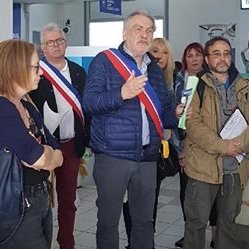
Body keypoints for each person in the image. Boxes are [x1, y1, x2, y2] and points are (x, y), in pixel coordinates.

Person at [83, 10, 186, 249]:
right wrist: (122, 94)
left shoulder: (154, 70)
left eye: (149, 30)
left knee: (144, 221)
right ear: (125, 33)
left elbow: (162, 114)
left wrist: (176, 114)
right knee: (108, 222)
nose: (144, 34)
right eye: (138, 28)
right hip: (112, 156)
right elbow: (89, 103)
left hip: (147, 157)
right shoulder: (105, 61)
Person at [184, 36, 249, 249]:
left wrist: (239, 145)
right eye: (217, 54)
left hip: (234, 169)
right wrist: (224, 147)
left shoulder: (244, 86)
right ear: (207, 58)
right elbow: (191, 124)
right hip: (203, 167)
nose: (222, 58)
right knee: (196, 222)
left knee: (228, 223)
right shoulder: (194, 85)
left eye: (227, 53)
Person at [29, 23, 88, 249]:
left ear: (66, 44)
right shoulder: (36, 72)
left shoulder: (78, 71)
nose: (55, 45)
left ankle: (66, 242)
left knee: (67, 200)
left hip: (71, 144)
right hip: (42, 147)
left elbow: (86, 108)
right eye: (50, 42)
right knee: (40, 200)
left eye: (59, 41)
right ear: (43, 47)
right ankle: (39, 242)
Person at [0, 39, 63, 249]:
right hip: (16, 206)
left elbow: (56, 152)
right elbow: (38, 156)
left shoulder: (27, 104)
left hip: (40, 196)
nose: (41, 73)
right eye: (36, 67)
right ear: (15, 69)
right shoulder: (3, 108)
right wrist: (45, 156)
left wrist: (46, 157)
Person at [122, 37, 177, 249]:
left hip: (158, 150)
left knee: (150, 199)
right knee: (132, 199)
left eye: (163, 52)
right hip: (137, 149)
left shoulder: (170, 81)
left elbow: (169, 119)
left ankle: (146, 240)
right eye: (154, 51)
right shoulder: (139, 78)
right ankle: (133, 241)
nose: (158, 56)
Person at [174, 42, 217, 248]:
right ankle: (188, 233)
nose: (194, 59)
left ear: (204, 58)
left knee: (213, 194)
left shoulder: (209, 81)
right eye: (189, 55)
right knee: (187, 193)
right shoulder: (178, 81)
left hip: (205, 144)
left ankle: (216, 237)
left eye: (197, 55)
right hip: (183, 142)